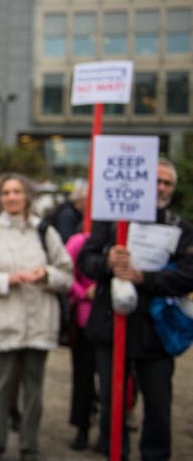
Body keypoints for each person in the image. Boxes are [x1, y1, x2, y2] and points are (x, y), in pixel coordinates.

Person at [79, 158, 193, 460]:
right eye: (156, 181)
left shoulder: (181, 228)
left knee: (158, 406)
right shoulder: (112, 223)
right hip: (111, 328)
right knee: (112, 403)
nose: (161, 188)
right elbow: (86, 261)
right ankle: (114, 452)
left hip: (157, 333)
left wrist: (145, 278)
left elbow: (188, 275)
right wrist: (107, 262)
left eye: (167, 183)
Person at [0, 173, 72, 461]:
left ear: (27, 196)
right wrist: (7, 280)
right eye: (6, 193)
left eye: (17, 192)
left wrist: (46, 274)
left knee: (33, 392)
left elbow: (67, 275)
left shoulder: (45, 232)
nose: (11, 197)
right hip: (3, 324)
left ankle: (29, 447)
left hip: (38, 324)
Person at [65, 230, 97, 451]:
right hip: (85, 321)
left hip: (120, 321)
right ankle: (82, 428)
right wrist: (83, 293)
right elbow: (65, 274)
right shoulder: (79, 241)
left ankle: (113, 431)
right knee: (83, 376)